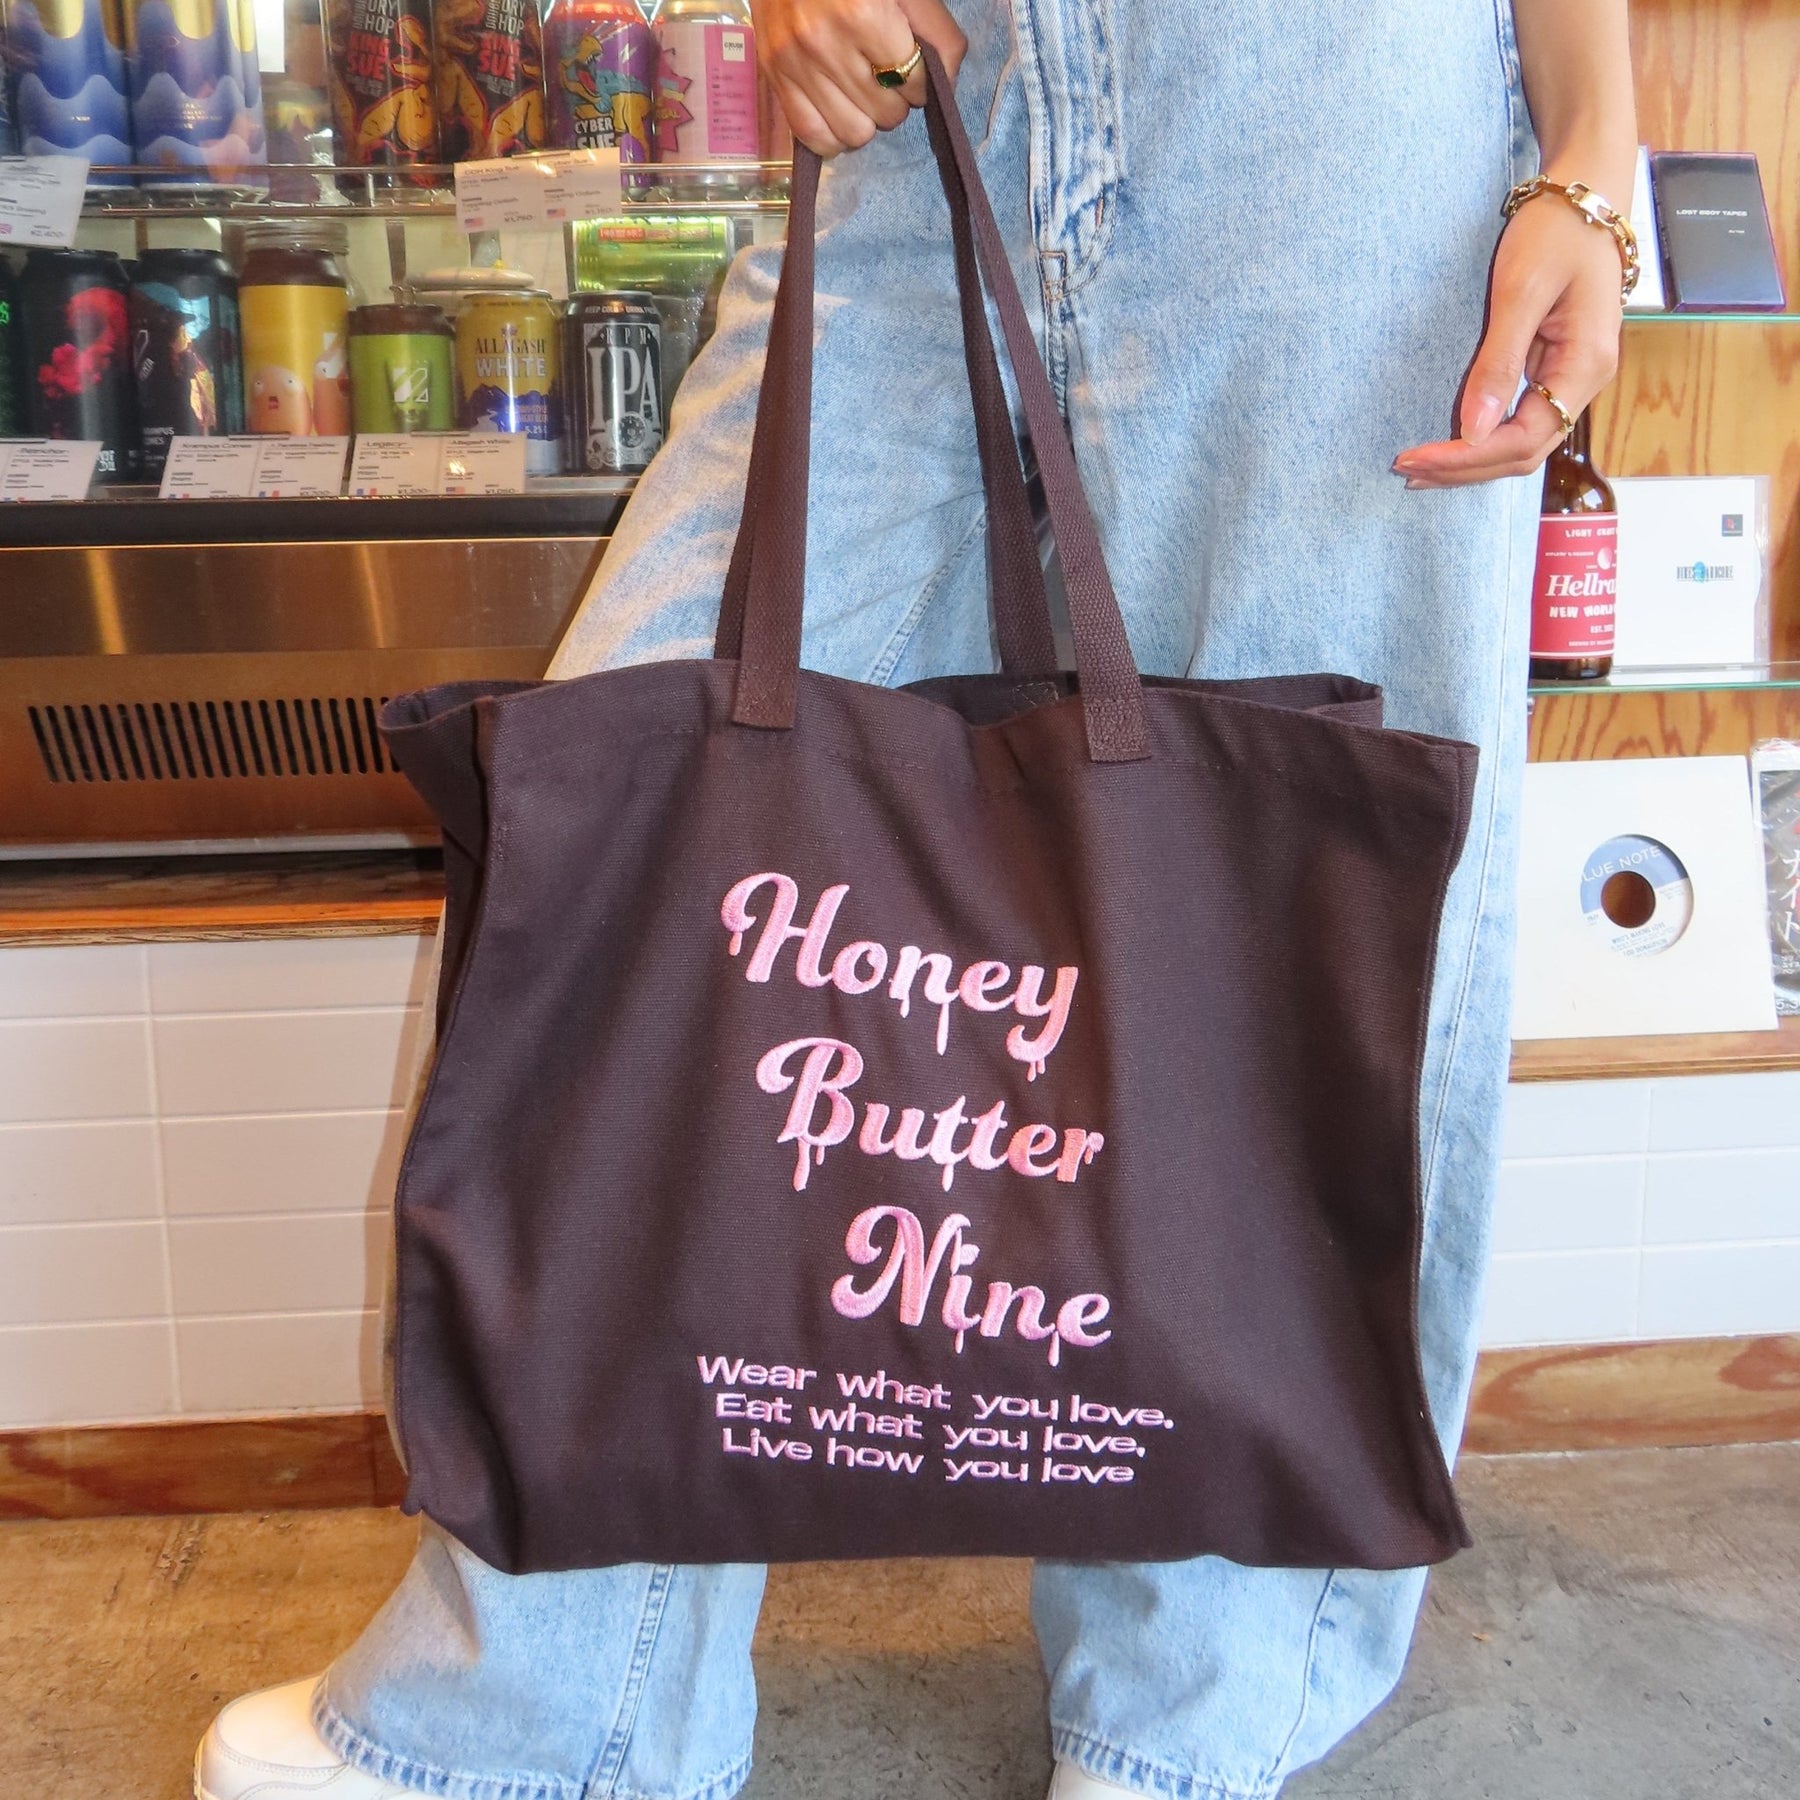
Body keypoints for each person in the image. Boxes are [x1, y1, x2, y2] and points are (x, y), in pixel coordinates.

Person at [195, 3, 1636, 1797]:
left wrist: (1593, 150)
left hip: (1321, 104)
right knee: (639, 846)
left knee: (1291, 927)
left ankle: (1190, 1728)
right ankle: (553, 1713)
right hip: (924, 80)